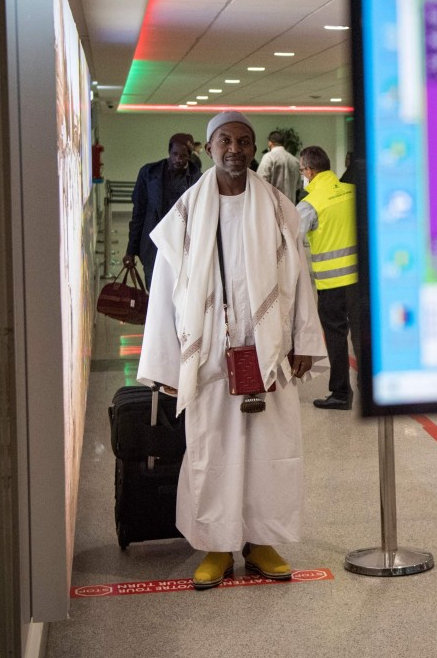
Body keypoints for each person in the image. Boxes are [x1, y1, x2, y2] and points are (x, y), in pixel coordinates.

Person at [138, 111, 328, 590]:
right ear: (208, 147)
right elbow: (163, 289)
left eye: (244, 141)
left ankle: (261, 541)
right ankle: (217, 547)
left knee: (271, 450)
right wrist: (163, 363)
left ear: (254, 148)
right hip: (209, 356)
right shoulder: (186, 212)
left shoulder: (280, 207)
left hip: (269, 352)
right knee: (213, 449)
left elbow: (300, 276)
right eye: (225, 140)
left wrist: (304, 339)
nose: (236, 150)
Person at [296, 146, 361, 410]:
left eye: (302, 171)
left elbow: (291, 241)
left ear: (309, 171)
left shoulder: (309, 204)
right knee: (361, 334)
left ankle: (341, 394)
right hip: (360, 282)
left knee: (336, 337)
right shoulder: (353, 191)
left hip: (331, 285)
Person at [122, 133, 201, 287]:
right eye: (175, 154)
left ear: (189, 157)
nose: (178, 159)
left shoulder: (197, 180)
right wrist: (130, 251)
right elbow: (138, 214)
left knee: (179, 297)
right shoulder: (149, 174)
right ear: (169, 152)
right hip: (153, 247)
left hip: (182, 249)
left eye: (183, 156)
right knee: (154, 293)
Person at [256, 130, 301, 204]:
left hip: (272, 206)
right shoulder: (295, 161)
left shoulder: (268, 157)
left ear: (270, 143)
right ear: (283, 143)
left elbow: (260, 182)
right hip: (290, 207)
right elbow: (298, 186)